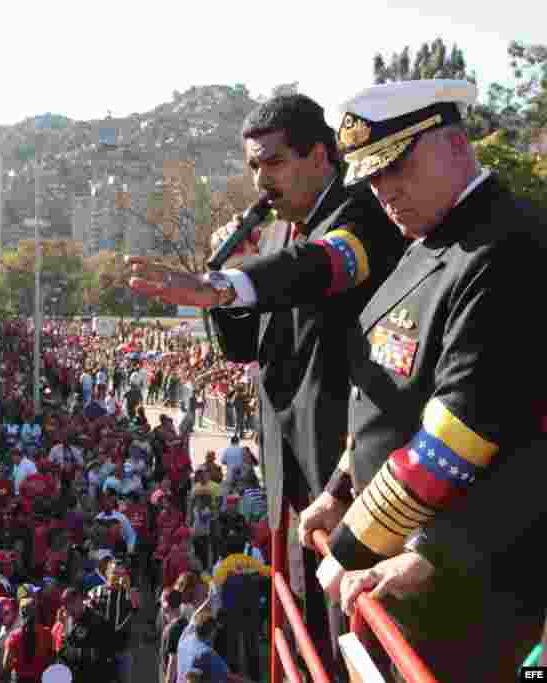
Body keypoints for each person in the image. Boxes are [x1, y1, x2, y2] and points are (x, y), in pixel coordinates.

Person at [128, 93, 406, 671]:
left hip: (344, 468)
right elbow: (242, 349)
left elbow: (323, 264)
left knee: (347, 637)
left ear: (321, 156)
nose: (260, 180)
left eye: (273, 162)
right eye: (253, 166)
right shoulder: (278, 237)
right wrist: (229, 276)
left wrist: (228, 285)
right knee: (307, 630)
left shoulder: (361, 213)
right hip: (292, 473)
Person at [297, 79, 547, 682]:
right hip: (404, 570)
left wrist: (355, 546)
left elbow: (463, 433)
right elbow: (389, 396)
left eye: (398, 167)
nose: (385, 190)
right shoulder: (433, 238)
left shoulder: (507, 247)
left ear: (457, 145)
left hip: (468, 581)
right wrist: (339, 488)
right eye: (373, 176)